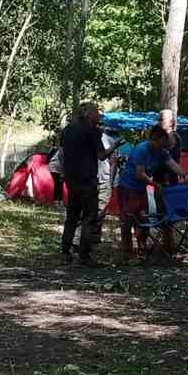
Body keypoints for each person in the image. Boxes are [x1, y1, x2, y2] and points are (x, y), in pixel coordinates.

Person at [116, 126, 181, 263]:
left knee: (143, 218)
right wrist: (155, 184)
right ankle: (127, 252)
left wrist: (185, 174)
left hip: (141, 189)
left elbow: (172, 164)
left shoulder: (161, 151)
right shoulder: (141, 150)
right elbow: (140, 174)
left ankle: (142, 249)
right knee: (127, 220)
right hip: (128, 188)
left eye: (165, 144)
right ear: (155, 140)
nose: (163, 147)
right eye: (161, 143)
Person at [60, 102, 110, 265]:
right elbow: (101, 155)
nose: (99, 115)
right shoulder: (93, 131)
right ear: (88, 114)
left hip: (71, 180)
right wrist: (115, 146)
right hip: (87, 180)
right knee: (90, 217)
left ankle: (66, 252)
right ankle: (84, 255)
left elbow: (62, 152)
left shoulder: (68, 130)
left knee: (72, 216)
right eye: (97, 112)